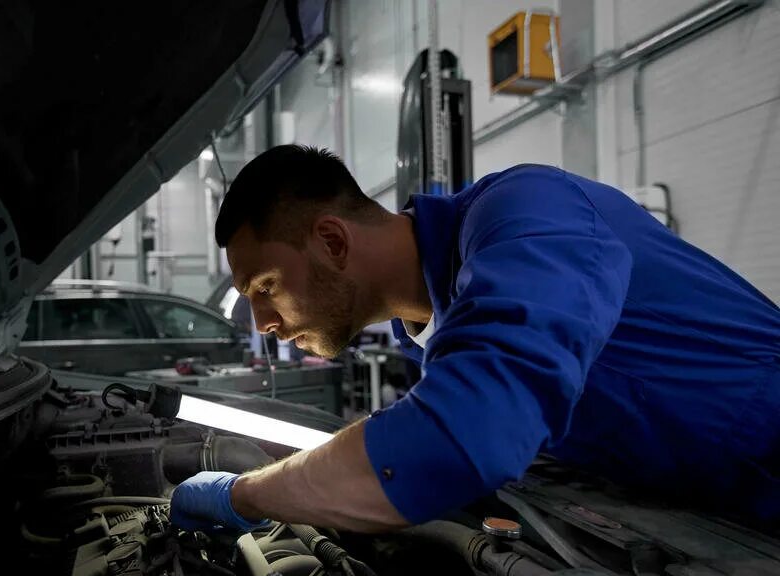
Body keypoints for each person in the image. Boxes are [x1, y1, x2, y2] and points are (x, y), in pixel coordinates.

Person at [169, 145, 780, 534]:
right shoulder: (432, 333)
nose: (262, 323)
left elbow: (463, 431)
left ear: (331, 242)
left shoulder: (530, 212)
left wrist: (245, 496)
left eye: (266, 287)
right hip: (721, 514)